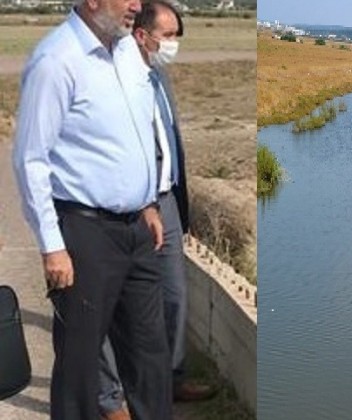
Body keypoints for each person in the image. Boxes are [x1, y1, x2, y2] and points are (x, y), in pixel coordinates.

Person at [11, 0, 172, 418]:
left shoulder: (126, 55)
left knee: (150, 355)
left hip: (137, 229)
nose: (137, 5)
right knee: (81, 365)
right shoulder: (57, 60)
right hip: (84, 234)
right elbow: (31, 160)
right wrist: (52, 245)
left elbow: (136, 137)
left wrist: (149, 203)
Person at [96, 1, 215, 418]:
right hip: (124, 206)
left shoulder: (157, 76)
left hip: (164, 203)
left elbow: (169, 142)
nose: (174, 45)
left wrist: (179, 207)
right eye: (169, 36)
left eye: (178, 36)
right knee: (109, 305)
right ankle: (110, 400)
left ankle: (169, 379)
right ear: (142, 35)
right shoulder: (114, 75)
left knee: (173, 297)